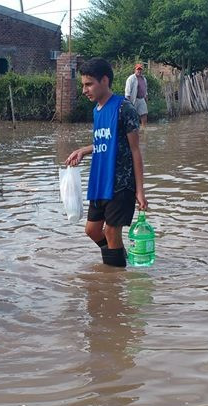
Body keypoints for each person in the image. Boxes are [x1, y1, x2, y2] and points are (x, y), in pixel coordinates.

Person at [65, 57, 149, 267]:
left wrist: (140, 190)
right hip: (99, 180)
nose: (84, 90)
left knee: (112, 231)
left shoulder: (124, 108)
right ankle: (119, 259)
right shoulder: (97, 110)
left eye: (89, 84)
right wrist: (84, 150)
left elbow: (135, 150)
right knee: (92, 230)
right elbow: (107, 142)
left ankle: (114, 283)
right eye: (83, 84)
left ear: (104, 80)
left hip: (120, 183)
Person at [124, 63, 149, 128]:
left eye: (140, 69)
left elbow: (145, 90)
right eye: (138, 69)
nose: (139, 71)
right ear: (135, 70)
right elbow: (127, 92)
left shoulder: (144, 79)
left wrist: (146, 100)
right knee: (132, 116)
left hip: (141, 99)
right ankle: (132, 129)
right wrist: (128, 103)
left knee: (144, 114)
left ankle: (144, 129)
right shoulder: (131, 78)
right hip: (133, 99)